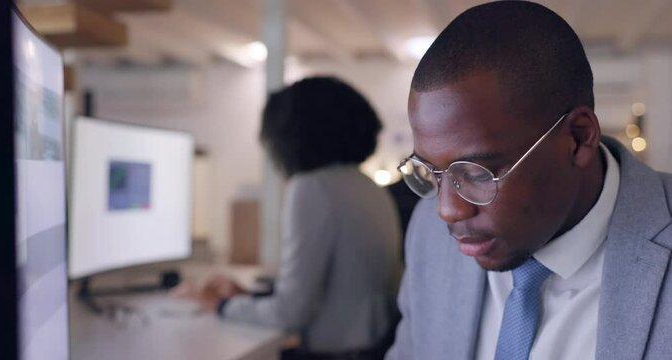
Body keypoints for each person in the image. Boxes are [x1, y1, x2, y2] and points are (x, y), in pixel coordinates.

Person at [387, 2, 672, 360]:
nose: (447, 210)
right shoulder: (427, 234)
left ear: (578, 138)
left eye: (477, 173)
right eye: (431, 171)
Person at [178, 76, 402, 359]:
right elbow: (336, 293)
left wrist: (220, 304)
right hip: (371, 349)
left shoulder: (313, 187)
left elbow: (292, 313)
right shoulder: (368, 187)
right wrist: (249, 297)